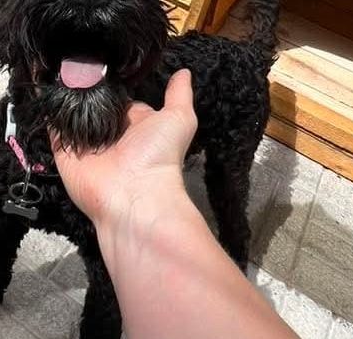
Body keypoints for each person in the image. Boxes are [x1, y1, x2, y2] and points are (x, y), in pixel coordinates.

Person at [52, 69, 299, 339]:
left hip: (237, 92)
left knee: (227, 189)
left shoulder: (237, 82)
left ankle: (237, 254)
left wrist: (143, 187)